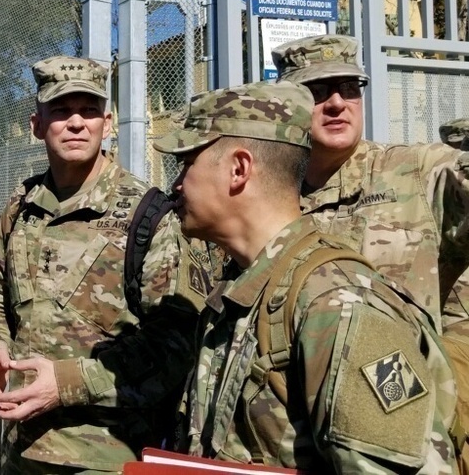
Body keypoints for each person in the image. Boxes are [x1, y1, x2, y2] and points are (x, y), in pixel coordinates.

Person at [157, 80, 458, 472]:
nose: (176, 184)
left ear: (239, 169)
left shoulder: (337, 304)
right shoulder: (244, 286)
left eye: (187, 162)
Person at [0, 56, 218, 473]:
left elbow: (175, 344)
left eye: (88, 111)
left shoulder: (148, 215)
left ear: (107, 122)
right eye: (61, 111)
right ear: (37, 125)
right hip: (19, 447)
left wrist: (67, 384)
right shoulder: (21, 207)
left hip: (108, 455)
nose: (76, 123)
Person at [272, 35, 469, 465]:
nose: (338, 103)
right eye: (317, 92)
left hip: (399, 422)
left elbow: (459, 178)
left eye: (350, 88)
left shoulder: (411, 171)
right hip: (291, 431)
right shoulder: (272, 192)